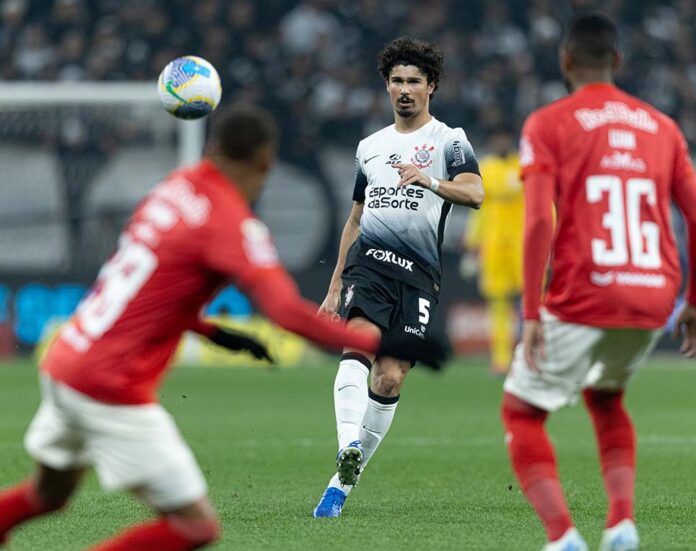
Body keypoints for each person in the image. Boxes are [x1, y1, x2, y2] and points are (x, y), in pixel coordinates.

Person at [0, 106, 447, 550]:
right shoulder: (230, 222)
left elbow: (151, 293)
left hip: (66, 360)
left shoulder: (171, 190)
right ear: (266, 162)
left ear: (212, 147)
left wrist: (215, 334)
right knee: (195, 527)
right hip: (107, 385)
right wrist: (386, 340)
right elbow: (288, 312)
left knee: (47, 494)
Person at [501, 13, 696, 551]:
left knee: (522, 411)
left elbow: (539, 220)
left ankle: (563, 536)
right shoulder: (663, 127)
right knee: (607, 397)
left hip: (586, 289)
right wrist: (693, 301)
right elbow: (695, 214)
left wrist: (533, 312)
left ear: (565, 61)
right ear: (618, 63)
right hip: (653, 294)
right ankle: (622, 525)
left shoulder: (548, 123)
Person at [312, 37, 483, 518]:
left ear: (431, 87)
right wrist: (333, 287)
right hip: (371, 266)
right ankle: (347, 445)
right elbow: (355, 218)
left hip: (420, 275)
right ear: (386, 87)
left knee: (389, 378)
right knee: (359, 343)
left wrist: (429, 180)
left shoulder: (450, 140)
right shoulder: (370, 147)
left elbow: (475, 193)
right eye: (396, 81)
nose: (404, 90)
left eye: (414, 81)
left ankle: (340, 484)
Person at [461, 124, 523, 375]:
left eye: (504, 137)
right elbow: (480, 210)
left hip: (523, 245)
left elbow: (542, 206)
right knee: (498, 306)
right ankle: (501, 361)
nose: (500, 143)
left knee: (531, 305)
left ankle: (534, 358)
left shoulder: (524, 166)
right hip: (494, 246)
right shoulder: (484, 169)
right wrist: (472, 244)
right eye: (496, 138)